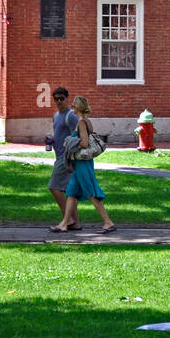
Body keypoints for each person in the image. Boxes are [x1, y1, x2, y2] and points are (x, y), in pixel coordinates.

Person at [51, 95, 117, 234]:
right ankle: (64, 224)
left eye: (74, 106)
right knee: (71, 192)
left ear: (77, 107)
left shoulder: (81, 123)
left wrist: (69, 140)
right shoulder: (87, 121)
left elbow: (84, 143)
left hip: (83, 164)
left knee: (91, 192)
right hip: (81, 163)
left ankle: (108, 222)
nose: (72, 108)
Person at [46, 87, 81, 230]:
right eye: (56, 99)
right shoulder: (56, 116)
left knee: (54, 187)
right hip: (58, 155)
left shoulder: (71, 116)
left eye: (62, 98)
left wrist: (71, 159)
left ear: (67, 99)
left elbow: (77, 136)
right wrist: (51, 140)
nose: (59, 101)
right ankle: (75, 223)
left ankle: (68, 221)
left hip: (66, 158)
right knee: (70, 192)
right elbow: (60, 136)